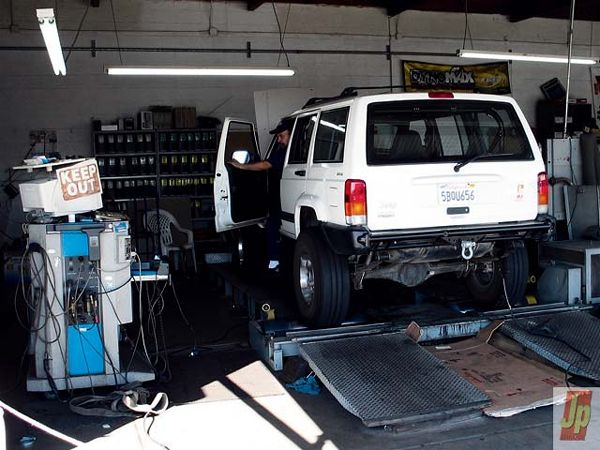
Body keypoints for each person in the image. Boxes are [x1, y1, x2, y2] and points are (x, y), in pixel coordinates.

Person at [229, 119, 292, 271]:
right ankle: (276, 261)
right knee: (273, 226)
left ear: (291, 135)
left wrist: (242, 166)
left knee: (272, 226)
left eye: (281, 136)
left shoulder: (285, 152)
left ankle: (275, 262)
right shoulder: (285, 151)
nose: (279, 139)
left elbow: (265, 165)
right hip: (283, 199)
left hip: (285, 201)